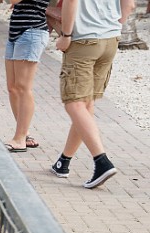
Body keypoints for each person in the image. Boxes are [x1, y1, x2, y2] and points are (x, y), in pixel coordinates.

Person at [51, 0, 135, 189]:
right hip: (110, 39)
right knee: (86, 104)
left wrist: (65, 35)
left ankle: (101, 161)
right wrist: (113, 24)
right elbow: (129, 5)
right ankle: (64, 161)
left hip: (84, 40)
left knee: (74, 103)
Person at [3, 0, 50, 153]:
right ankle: (25, 133)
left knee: (23, 87)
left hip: (31, 32)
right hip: (16, 31)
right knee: (13, 88)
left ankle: (20, 138)